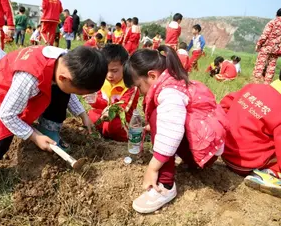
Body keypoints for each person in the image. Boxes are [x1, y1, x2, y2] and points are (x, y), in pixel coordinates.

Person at [0, 46, 108, 226]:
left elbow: (68, 90)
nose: (77, 96)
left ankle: (50, 131)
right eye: (79, 93)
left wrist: (82, 114)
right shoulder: (30, 77)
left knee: (60, 91)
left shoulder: (66, 62)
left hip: (26, 93)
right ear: (65, 78)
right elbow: (7, 115)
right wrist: (34, 136)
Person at [123, 45, 228, 214]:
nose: (140, 93)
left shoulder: (169, 94)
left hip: (203, 156)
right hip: (206, 149)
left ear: (151, 76)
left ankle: (165, 186)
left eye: (139, 86)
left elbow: (171, 133)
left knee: (159, 117)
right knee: (160, 119)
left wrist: (153, 168)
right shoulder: (174, 82)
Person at [220, 73, 281, 197]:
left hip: (224, 152)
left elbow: (226, 103)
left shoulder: (252, 87)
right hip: (247, 164)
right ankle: (268, 175)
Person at [86, 44, 139, 142]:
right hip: (105, 115)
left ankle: (130, 135)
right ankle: (105, 131)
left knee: (112, 125)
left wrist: (109, 112)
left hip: (123, 120)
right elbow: (102, 104)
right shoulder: (103, 81)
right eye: (106, 70)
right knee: (91, 115)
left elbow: (123, 108)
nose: (109, 75)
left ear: (125, 66)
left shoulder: (130, 86)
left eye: (114, 71)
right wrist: (94, 100)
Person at [253, 8, 281, 84]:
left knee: (260, 65)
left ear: (276, 14)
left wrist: (258, 45)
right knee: (271, 68)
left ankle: (256, 83)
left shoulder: (273, 22)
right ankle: (267, 84)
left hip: (266, 47)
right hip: (277, 50)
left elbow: (264, 35)